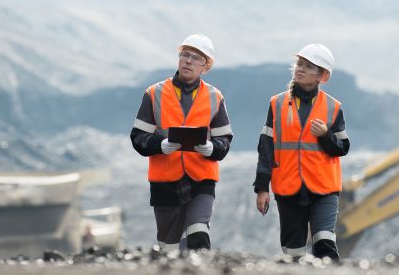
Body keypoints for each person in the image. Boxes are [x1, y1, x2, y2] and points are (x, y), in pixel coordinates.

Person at [130, 34, 233, 251]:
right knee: (169, 248)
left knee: (198, 234)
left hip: (201, 180)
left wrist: (212, 148)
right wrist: (159, 145)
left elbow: (224, 140)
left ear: (206, 66)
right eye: (185, 55)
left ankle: (200, 264)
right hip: (165, 183)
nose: (188, 61)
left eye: (196, 58)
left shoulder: (215, 97)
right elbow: (138, 137)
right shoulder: (154, 93)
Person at [253, 43, 349, 261]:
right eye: (299, 63)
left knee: (325, 242)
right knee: (293, 253)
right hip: (288, 188)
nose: (300, 69)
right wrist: (262, 188)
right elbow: (266, 149)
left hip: (324, 188)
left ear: (322, 76)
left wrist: (325, 135)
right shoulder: (276, 104)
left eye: (308, 66)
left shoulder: (333, 107)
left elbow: (342, 147)